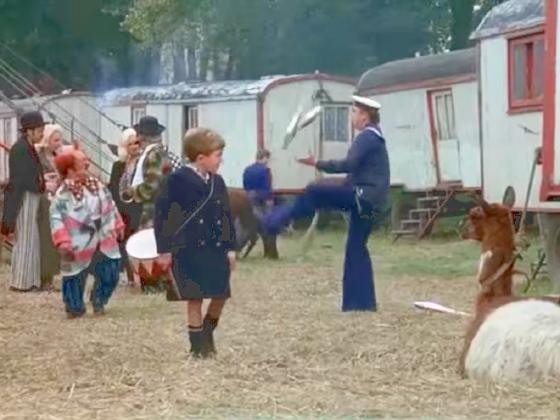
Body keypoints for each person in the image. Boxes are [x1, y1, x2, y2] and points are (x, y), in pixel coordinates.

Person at [261, 95, 390, 312]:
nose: (351, 117)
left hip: (363, 197)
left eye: (353, 112)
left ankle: (275, 221)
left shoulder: (366, 137)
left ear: (365, 116)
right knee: (356, 247)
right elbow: (360, 172)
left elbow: (348, 164)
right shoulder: (376, 137)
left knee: (315, 191)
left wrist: (317, 163)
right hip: (372, 200)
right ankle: (361, 303)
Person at [154, 127, 236, 358]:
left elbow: (226, 216)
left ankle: (207, 331)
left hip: (215, 247)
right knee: (195, 298)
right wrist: (164, 250)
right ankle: (198, 346)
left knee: (221, 294)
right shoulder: (175, 181)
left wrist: (231, 248)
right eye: (217, 155)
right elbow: (162, 217)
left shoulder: (217, 182)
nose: (221, 160)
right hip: (188, 248)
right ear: (201, 158)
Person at [50, 144, 124, 318]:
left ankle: (99, 300)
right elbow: (56, 219)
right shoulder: (62, 196)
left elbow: (110, 204)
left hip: (103, 236)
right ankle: (74, 308)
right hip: (77, 241)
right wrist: (63, 241)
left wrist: (118, 223)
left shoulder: (97, 185)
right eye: (82, 161)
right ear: (70, 170)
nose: (87, 163)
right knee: (74, 277)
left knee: (111, 271)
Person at [120, 116, 183, 292]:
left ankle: (155, 283)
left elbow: (152, 186)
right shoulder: (158, 152)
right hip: (161, 206)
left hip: (153, 207)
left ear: (142, 136)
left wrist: (131, 192)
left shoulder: (153, 155)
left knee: (150, 245)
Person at [1, 111, 46, 291]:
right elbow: (23, 179)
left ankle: (30, 280)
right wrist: (41, 185)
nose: (41, 134)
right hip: (24, 196)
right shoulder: (20, 149)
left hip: (29, 195)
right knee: (25, 238)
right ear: (29, 130)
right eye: (39, 130)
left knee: (31, 238)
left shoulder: (27, 147)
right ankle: (21, 282)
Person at [108, 128, 144, 286]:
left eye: (137, 143)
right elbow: (113, 188)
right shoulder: (118, 165)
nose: (135, 146)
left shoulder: (143, 163)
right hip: (122, 210)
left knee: (137, 241)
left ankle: (141, 275)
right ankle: (129, 276)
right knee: (123, 243)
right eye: (131, 144)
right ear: (124, 147)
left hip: (138, 208)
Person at [36, 123, 64, 291]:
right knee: (45, 238)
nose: (59, 143)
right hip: (43, 199)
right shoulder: (38, 155)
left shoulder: (57, 156)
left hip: (57, 198)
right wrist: (45, 180)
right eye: (55, 140)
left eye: (60, 140)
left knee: (54, 238)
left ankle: (51, 276)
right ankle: (44, 277)